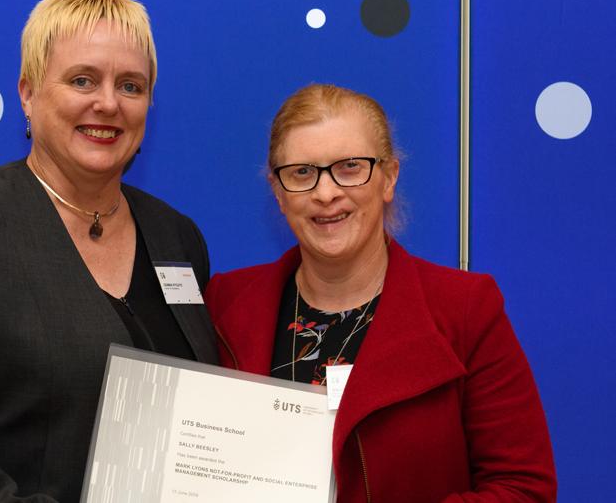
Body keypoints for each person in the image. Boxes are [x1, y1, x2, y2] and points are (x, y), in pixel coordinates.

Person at [0, 0, 218, 502]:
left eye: (131, 85)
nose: (108, 103)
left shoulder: (178, 237)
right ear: (28, 93)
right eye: (83, 80)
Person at [205, 84, 557, 502]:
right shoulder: (225, 303)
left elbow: (524, 489)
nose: (325, 192)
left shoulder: (465, 309)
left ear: (388, 177)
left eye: (350, 167)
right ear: (278, 193)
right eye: (302, 172)